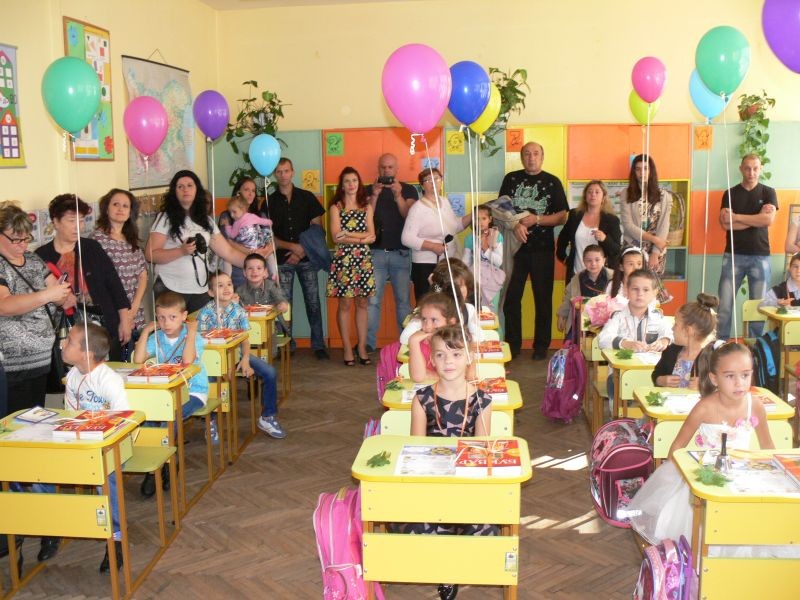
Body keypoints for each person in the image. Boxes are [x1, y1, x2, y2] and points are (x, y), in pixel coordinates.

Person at [629, 343, 774, 548]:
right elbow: (677, 447)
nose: (739, 383)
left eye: (745, 375)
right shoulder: (705, 408)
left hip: (741, 478)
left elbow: (768, 447)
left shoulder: (755, 405)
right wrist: (685, 477)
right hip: (705, 480)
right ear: (714, 379)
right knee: (698, 531)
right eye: (730, 376)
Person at [408, 325, 494, 600]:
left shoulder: (482, 400)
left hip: (466, 487)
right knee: (415, 529)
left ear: (469, 357)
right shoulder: (422, 399)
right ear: (431, 360)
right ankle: (446, 571)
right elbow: (416, 451)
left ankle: (454, 565)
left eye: (456, 354)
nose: (448, 362)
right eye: (441, 355)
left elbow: (480, 455)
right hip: (432, 486)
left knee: (485, 531)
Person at [46, 323, 129, 572]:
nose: (63, 344)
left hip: (110, 446)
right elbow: (72, 415)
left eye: (70, 342)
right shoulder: (73, 375)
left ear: (87, 354)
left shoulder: (109, 380)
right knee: (42, 471)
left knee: (106, 477)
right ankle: (49, 526)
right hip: (81, 443)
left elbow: (122, 421)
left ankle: (115, 537)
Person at [36, 194, 131, 361]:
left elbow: (115, 285)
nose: (78, 226)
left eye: (81, 220)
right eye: (72, 221)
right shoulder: (42, 256)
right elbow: (38, 298)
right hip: (65, 331)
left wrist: (125, 321)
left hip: (102, 327)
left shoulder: (91, 248)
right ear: (56, 222)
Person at [134, 291, 210, 497]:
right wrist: (145, 331)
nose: (166, 323)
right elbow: (138, 360)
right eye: (161, 318)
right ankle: (155, 465)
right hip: (164, 394)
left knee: (171, 417)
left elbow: (187, 361)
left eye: (172, 317)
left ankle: (166, 463)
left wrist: (191, 333)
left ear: (184, 316)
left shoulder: (194, 337)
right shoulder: (157, 337)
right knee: (147, 418)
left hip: (193, 391)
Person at [0, 201, 71, 415]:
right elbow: (4, 305)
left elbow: (57, 295)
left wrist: (61, 294)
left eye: (26, 238)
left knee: (35, 418)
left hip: (41, 360)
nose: (22, 245)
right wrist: (47, 295)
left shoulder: (32, 259)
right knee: (14, 422)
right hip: (12, 365)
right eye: (16, 239)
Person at [498, 142, 568, 360]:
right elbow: (500, 208)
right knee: (511, 298)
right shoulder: (511, 179)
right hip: (514, 250)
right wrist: (515, 225)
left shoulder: (552, 181)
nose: (531, 157)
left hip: (542, 250)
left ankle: (541, 347)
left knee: (543, 300)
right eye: (527, 154)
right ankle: (512, 346)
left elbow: (562, 216)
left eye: (535, 153)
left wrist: (537, 219)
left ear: (542, 157)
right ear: (522, 157)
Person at [197, 272, 286, 438]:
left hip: (237, 355)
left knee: (270, 372)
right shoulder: (205, 313)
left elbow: (245, 339)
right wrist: (224, 367)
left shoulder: (238, 310)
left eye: (229, 284)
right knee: (212, 383)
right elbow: (204, 345)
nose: (226, 288)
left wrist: (245, 359)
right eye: (220, 285)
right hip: (213, 360)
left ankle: (267, 417)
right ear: (210, 292)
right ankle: (211, 420)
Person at [145, 170, 247, 313]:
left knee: (203, 326)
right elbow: (150, 254)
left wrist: (254, 263)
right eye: (180, 186)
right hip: (170, 288)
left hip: (200, 289)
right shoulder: (165, 218)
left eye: (189, 185)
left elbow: (228, 252)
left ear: (197, 189)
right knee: (173, 328)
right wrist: (181, 251)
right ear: (174, 191)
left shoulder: (206, 221)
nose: (185, 189)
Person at [267, 158, 329, 359]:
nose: (283, 175)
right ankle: (287, 346)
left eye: (286, 170)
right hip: (283, 261)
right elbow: (268, 236)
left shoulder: (307, 197)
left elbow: (317, 229)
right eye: (279, 171)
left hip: (307, 259)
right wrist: (292, 248)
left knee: (313, 303)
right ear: (274, 174)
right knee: (284, 305)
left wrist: (302, 250)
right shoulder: (269, 201)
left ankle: (318, 345)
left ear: (292, 172)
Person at [717, 154, 778, 340]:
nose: (751, 172)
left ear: (761, 169)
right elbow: (725, 223)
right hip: (733, 255)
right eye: (747, 168)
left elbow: (767, 220)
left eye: (755, 168)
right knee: (724, 305)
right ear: (741, 169)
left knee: (758, 307)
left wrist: (736, 217)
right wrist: (756, 218)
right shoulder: (730, 193)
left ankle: (755, 347)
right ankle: (720, 344)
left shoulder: (768, 192)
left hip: (761, 256)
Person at [365, 153, 417, 353]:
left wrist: (398, 196)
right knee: (373, 301)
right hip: (375, 253)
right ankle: (369, 344)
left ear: (397, 169)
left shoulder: (408, 189)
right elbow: (365, 216)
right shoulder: (369, 189)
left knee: (403, 302)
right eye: (383, 167)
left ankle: (406, 344)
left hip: (400, 253)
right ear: (378, 169)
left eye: (390, 167)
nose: (386, 171)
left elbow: (408, 215)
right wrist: (375, 195)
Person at [327, 167, 376, 366]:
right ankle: (347, 348)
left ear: (359, 183)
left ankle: (361, 347)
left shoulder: (367, 206)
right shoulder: (336, 207)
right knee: (345, 304)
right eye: (347, 181)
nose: (351, 184)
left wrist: (348, 234)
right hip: (344, 260)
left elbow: (372, 236)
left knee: (363, 303)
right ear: (342, 185)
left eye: (354, 180)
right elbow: (336, 237)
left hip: (363, 260)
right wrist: (361, 238)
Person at [91, 188, 148, 355]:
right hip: (112, 312)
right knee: (117, 358)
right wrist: (124, 315)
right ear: (106, 209)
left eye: (125, 206)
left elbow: (143, 275)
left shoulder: (131, 238)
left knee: (136, 358)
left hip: (135, 312)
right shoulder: (96, 240)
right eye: (115, 204)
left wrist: (133, 309)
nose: (120, 209)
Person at [401, 167, 469, 301]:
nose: (433, 182)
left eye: (437, 179)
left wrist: (474, 214)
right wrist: (432, 246)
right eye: (428, 180)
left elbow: (454, 227)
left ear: (441, 181)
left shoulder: (445, 202)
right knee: (428, 301)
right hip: (426, 264)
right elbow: (406, 238)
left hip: (447, 262)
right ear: (422, 186)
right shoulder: (417, 208)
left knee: (447, 301)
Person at [401, 259, 484, 346]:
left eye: (462, 286)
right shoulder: (428, 310)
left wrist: (455, 339)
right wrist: (430, 337)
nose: (460, 291)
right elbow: (404, 338)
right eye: (454, 287)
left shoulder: (468, 309)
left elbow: (479, 336)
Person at [556, 179, 621, 280]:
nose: (593, 195)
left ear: (603, 197)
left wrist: (605, 239)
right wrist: (564, 258)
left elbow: (616, 250)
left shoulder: (612, 219)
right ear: (585, 196)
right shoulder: (574, 215)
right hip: (576, 274)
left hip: (601, 277)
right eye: (589, 192)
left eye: (597, 192)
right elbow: (562, 238)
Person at [619, 155, 673, 274]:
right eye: (637, 169)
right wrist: (654, 239)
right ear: (634, 172)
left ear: (651, 171)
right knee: (632, 282)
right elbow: (628, 225)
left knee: (652, 283)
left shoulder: (664, 195)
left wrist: (655, 252)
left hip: (656, 249)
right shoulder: (626, 193)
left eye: (645, 168)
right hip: (633, 248)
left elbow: (664, 225)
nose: (641, 172)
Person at [651, 294, 719, 388]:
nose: (672, 328)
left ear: (688, 331)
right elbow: (656, 374)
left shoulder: (711, 358)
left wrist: (704, 385)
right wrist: (660, 380)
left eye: (676, 324)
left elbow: (720, 384)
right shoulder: (670, 351)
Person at [598, 269, 672, 353]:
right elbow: (603, 340)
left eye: (646, 290)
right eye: (635, 289)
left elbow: (670, 333)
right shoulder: (618, 316)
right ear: (627, 291)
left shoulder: (657, 316)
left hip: (650, 361)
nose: (640, 294)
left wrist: (664, 341)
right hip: (624, 361)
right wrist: (625, 344)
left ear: (654, 293)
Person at [219, 176, 274, 287]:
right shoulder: (228, 216)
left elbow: (270, 241)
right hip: (239, 273)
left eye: (253, 191)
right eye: (246, 189)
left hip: (261, 273)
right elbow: (226, 244)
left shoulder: (260, 215)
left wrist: (264, 251)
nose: (250, 194)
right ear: (238, 192)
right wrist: (251, 252)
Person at [236, 253, 290, 357]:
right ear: (244, 272)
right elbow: (235, 310)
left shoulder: (271, 286)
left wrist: (282, 304)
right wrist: (233, 302)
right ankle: (247, 360)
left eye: (259, 268)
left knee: (270, 350)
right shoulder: (240, 290)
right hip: (248, 328)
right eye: (250, 268)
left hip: (269, 328)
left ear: (265, 272)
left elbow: (280, 298)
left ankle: (266, 360)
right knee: (239, 347)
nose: (254, 271)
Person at [556, 244, 614, 333]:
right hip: (582, 324)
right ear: (583, 261)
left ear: (604, 260)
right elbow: (568, 298)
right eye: (589, 260)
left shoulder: (613, 277)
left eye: (597, 260)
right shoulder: (577, 278)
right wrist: (562, 315)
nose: (593, 264)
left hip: (607, 324)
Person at [408, 292, 461, 383]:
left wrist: (431, 375)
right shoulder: (421, 344)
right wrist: (413, 342)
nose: (428, 326)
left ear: (451, 322)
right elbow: (418, 377)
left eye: (434, 320)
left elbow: (469, 375)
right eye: (424, 319)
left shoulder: (459, 342)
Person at [462, 204, 504, 314]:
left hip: (492, 281)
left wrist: (485, 248)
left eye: (484, 218)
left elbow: (499, 262)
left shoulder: (496, 235)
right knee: (476, 311)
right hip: (476, 280)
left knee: (491, 313)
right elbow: (465, 262)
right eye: (476, 219)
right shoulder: (470, 238)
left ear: (490, 219)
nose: (480, 222)